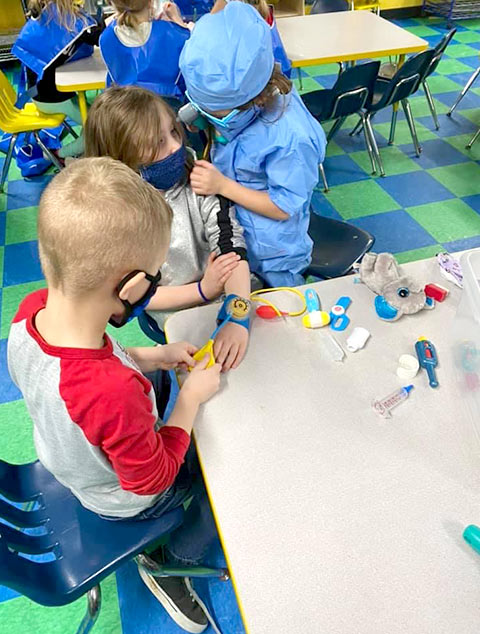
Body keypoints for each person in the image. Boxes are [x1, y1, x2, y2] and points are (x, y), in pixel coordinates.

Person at [7, 157, 223, 633]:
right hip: (121, 498)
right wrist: (189, 401)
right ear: (130, 286)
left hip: (67, 456)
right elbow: (150, 480)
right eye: (154, 273)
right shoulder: (109, 392)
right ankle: (171, 561)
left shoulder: (31, 312)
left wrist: (154, 355)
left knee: (160, 393)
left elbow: (93, 361)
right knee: (219, 488)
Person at [85, 86, 251, 371]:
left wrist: (238, 316)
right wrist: (203, 289)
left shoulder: (195, 176)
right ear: (121, 158)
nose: (175, 146)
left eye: (173, 132)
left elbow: (230, 245)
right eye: (158, 142)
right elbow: (133, 295)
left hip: (222, 295)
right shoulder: (113, 216)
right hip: (174, 312)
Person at [180, 1, 326, 287]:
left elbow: (284, 207)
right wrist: (202, 120)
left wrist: (223, 186)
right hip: (238, 232)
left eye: (217, 114)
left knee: (277, 311)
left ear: (252, 100)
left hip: (274, 251)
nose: (213, 118)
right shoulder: (240, 94)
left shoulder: (290, 137)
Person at [12, 0, 103, 158]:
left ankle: (82, 151)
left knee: (94, 118)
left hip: (38, 94)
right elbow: (96, 36)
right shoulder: (68, 22)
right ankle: (58, 155)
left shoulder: (44, 17)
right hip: (51, 99)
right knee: (99, 128)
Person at [100, 0, 191, 100]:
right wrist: (177, 20)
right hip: (168, 110)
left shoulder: (107, 37)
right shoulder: (176, 34)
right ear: (151, 2)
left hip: (123, 110)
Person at [210, 0, 291, 77]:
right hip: (280, 68)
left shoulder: (230, 6)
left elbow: (209, 28)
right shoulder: (261, 7)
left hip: (257, 73)